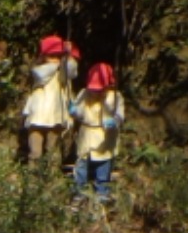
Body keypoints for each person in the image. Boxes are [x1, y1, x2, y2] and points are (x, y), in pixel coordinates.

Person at [70, 63, 125, 204]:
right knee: (81, 166)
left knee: (103, 168)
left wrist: (114, 121)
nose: (95, 92)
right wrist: (75, 111)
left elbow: (120, 115)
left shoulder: (115, 97)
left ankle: (102, 195)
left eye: (99, 89)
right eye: (93, 89)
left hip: (105, 137)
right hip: (87, 134)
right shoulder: (84, 94)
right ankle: (79, 194)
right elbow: (80, 113)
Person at [21, 36, 78, 166]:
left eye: (58, 56)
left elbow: (72, 71)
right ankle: (33, 181)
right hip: (37, 117)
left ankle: (52, 180)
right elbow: (42, 75)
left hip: (56, 117)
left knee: (53, 152)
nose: (56, 59)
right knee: (35, 152)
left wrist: (69, 56)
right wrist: (57, 64)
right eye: (52, 56)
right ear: (44, 57)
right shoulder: (39, 70)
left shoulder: (63, 72)